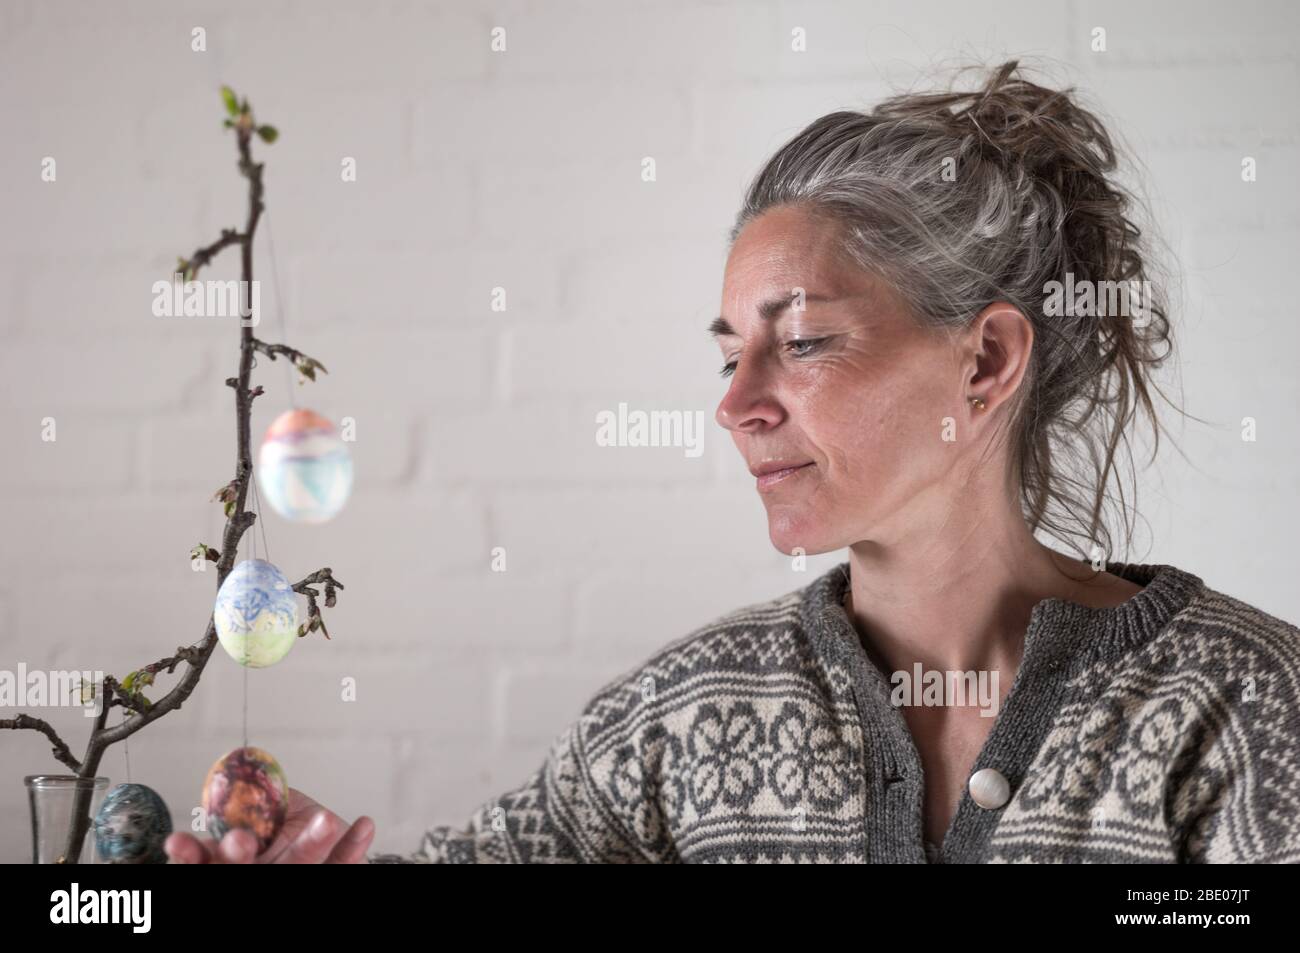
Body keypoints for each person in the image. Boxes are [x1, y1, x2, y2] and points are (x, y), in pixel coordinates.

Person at [166, 60, 1300, 865]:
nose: (735, 404)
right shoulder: (685, 714)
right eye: (729, 355)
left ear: (986, 359)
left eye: (802, 343)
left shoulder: (1245, 706)